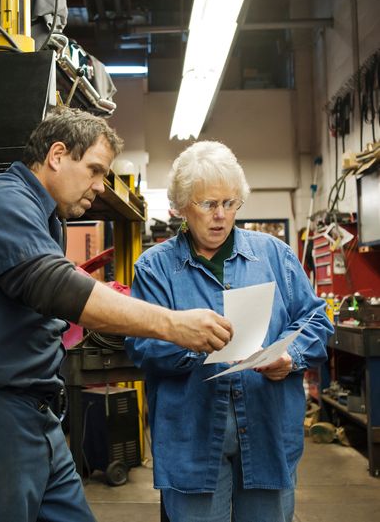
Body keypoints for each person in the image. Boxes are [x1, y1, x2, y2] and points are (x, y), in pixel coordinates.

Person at [0, 108, 233, 522]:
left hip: (32, 416)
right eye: (95, 170)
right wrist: (174, 325)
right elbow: (52, 283)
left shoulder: (46, 220)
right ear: (57, 155)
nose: (100, 187)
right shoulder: (0, 200)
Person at [125, 141, 334, 522]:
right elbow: (141, 346)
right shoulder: (155, 268)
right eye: (207, 204)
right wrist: (192, 341)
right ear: (181, 206)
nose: (221, 216)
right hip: (192, 436)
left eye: (230, 203)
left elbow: (317, 320)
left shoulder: (275, 255)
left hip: (268, 429)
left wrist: (291, 357)